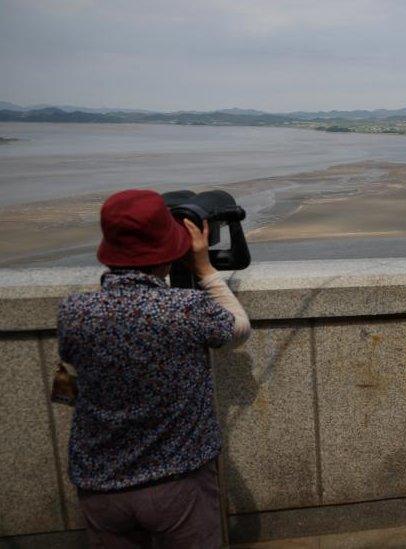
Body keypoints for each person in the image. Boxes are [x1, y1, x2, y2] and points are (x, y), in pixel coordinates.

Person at [57, 189, 252, 548]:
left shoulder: (74, 312)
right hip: (178, 482)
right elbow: (237, 328)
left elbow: (71, 373)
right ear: (171, 248)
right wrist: (205, 268)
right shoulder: (186, 309)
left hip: (101, 487)